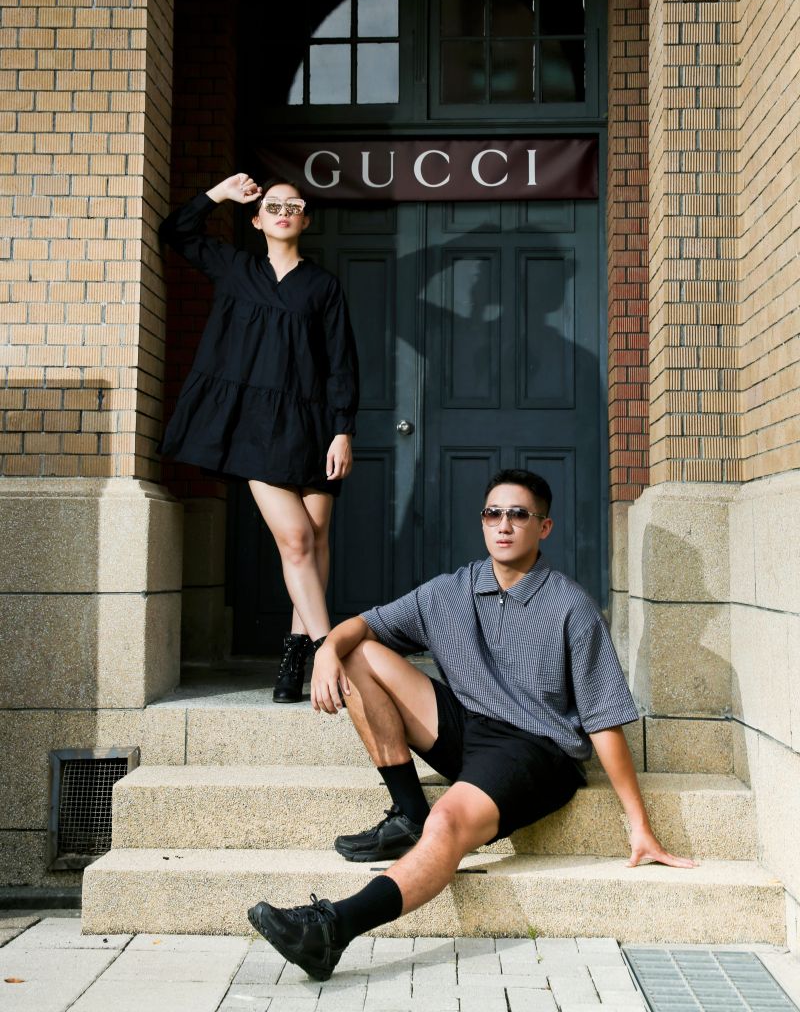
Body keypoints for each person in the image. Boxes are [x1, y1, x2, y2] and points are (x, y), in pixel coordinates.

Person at [247, 468, 695, 979]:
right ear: (482, 522)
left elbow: (604, 720)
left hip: (535, 750)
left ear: (543, 527)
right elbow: (366, 624)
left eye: (518, 514)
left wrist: (639, 824)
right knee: (357, 652)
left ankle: (332, 929)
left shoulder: (571, 606)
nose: (503, 525)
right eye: (493, 513)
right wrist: (327, 650)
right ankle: (409, 813)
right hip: (469, 727)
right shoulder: (451, 592)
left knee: (448, 824)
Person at [159, 173, 359, 701]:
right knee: (295, 539)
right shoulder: (235, 268)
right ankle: (329, 651)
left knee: (315, 540)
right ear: (257, 219)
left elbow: (341, 363)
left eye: (294, 206)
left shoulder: (322, 286)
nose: (284, 212)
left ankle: (292, 661)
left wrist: (342, 430)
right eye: (274, 206)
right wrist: (218, 193)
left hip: (314, 425)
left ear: (305, 220)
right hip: (255, 428)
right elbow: (176, 231)